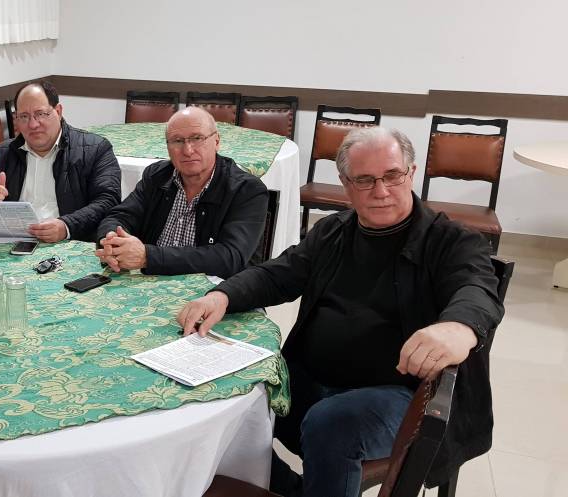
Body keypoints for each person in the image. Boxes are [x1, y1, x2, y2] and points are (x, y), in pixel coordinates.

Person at [177, 127, 504, 497]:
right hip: (314, 376)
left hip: (404, 394)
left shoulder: (451, 241)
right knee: (227, 399)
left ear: (411, 173)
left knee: (331, 424)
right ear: (346, 185)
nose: (381, 191)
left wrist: (459, 326)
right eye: (364, 180)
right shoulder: (333, 231)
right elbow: (278, 274)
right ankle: (295, 489)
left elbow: (477, 288)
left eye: (392, 175)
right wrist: (222, 295)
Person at [95, 107, 268, 278]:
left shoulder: (246, 190)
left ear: (216, 141)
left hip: (213, 288)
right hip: (150, 281)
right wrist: (112, 240)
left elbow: (230, 257)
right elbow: (120, 216)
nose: (187, 150)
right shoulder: (157, 176)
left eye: (197, 138)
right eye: (177, 141)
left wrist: (148, 257)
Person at [0, 80, 121, 242]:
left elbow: (108, 200)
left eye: (41, 114)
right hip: (12, 244)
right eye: (24, 117)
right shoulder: (6, 152)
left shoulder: (95, 149)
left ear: (58, 111)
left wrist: (66, 226)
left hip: (69, 243)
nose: (33, 124)